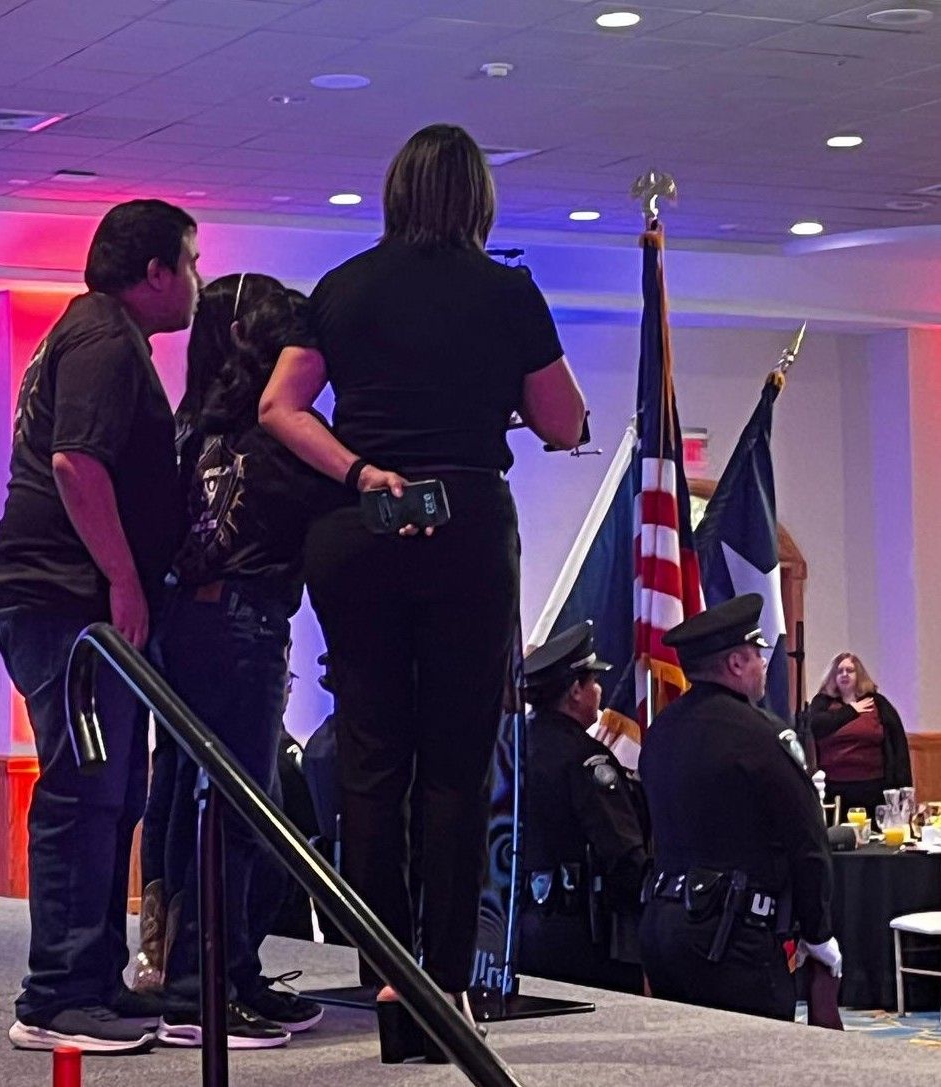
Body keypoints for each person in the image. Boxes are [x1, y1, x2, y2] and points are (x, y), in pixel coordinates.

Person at [259, 122, 586, 1055]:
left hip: (360, 534)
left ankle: (385, 983)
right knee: (454, 767)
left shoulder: (342, 288)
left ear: (395, 193)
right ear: (477, 199)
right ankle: (443, 989)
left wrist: (362, 471)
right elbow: (562, 421)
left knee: (370, 761)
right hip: (468, 535)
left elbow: (280, 408)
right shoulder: (508, 291)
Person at [0, 199, 201, 1051]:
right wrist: (123, 580)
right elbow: (76, 463)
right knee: (86, 789)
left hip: (65, 601)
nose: (195, 279)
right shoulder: (107, 341)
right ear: (151, 272)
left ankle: (93, 977)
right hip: (67, 602)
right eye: (187, 260)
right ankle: (55, 995)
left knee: (117, 790)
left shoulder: (94, 332)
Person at [149, 273, 341, 1049]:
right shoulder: (274, 440)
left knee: (208, 801)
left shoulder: (186, 425)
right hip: (241, 624)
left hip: (185, 625)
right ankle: (202, 989)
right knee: (242, 813)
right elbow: (338, 500)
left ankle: (220, 973)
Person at [638, 594, 839, 1022]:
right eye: (757, 654)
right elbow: (807, 842)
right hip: (732, 938)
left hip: (662, 926)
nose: (764, 664)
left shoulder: (659, 733)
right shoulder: (762, 736)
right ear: (734, 664)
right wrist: (819, 934)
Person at [519, 622, 650, 994]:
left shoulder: (511, 747)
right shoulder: (584, 759)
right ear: (575, 692)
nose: (599, 690)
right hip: (579, 934)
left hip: (519, 925)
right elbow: (621, 851)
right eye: (593, 682)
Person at [809, 652, 912, 822]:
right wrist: (852, 710)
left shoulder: (877, 703)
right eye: (839, 671)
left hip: (874, 787)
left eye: (849, 670)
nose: (844, 675)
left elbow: (898, 746)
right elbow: (818, 726)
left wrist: (904, 789)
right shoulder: (822, 703)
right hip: (834, 789)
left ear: (859, 675)